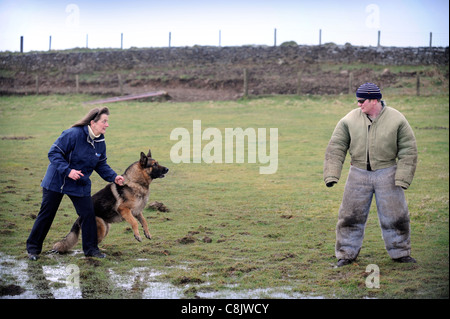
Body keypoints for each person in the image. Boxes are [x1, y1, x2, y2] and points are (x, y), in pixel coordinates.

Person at [323, 82, 418, 267]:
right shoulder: (349, 120)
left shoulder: (397, 119)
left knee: (396, 216)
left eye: (361, 100)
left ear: (374, 100)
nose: (358, 104)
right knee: (349, 216)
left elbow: (409, 149)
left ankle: (401, 253)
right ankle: (346, 254)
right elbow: (336, 147)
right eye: (357, 101)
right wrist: (331, 175)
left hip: (388, 173)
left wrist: (403, 177)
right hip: (357, 174)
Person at [26, 107, 124, 260]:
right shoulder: (72, 134)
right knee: (47, 214)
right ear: (93, 122)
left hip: (80, 183)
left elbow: (101, 164)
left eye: (107, 122)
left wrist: (114, 177)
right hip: (57, 181)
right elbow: (53, 153)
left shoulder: (100, 141)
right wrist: (68, 170)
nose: (107, 125)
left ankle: (91, 250)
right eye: (104, 121)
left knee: (88, 214)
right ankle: (33, 249)